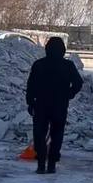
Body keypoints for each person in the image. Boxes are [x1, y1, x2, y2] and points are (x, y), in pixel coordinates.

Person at [25, 37, 83, 173]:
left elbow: (31, 85)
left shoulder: (39, 64)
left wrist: (30, 102)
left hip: (41, 105)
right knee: (57, 134)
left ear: (47, 49)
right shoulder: (68, 65)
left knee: (39, 134)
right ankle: (51, 164)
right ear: (63, 50)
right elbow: (78, 83)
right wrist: (69, 94)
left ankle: (40, 164)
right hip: (60, 105)